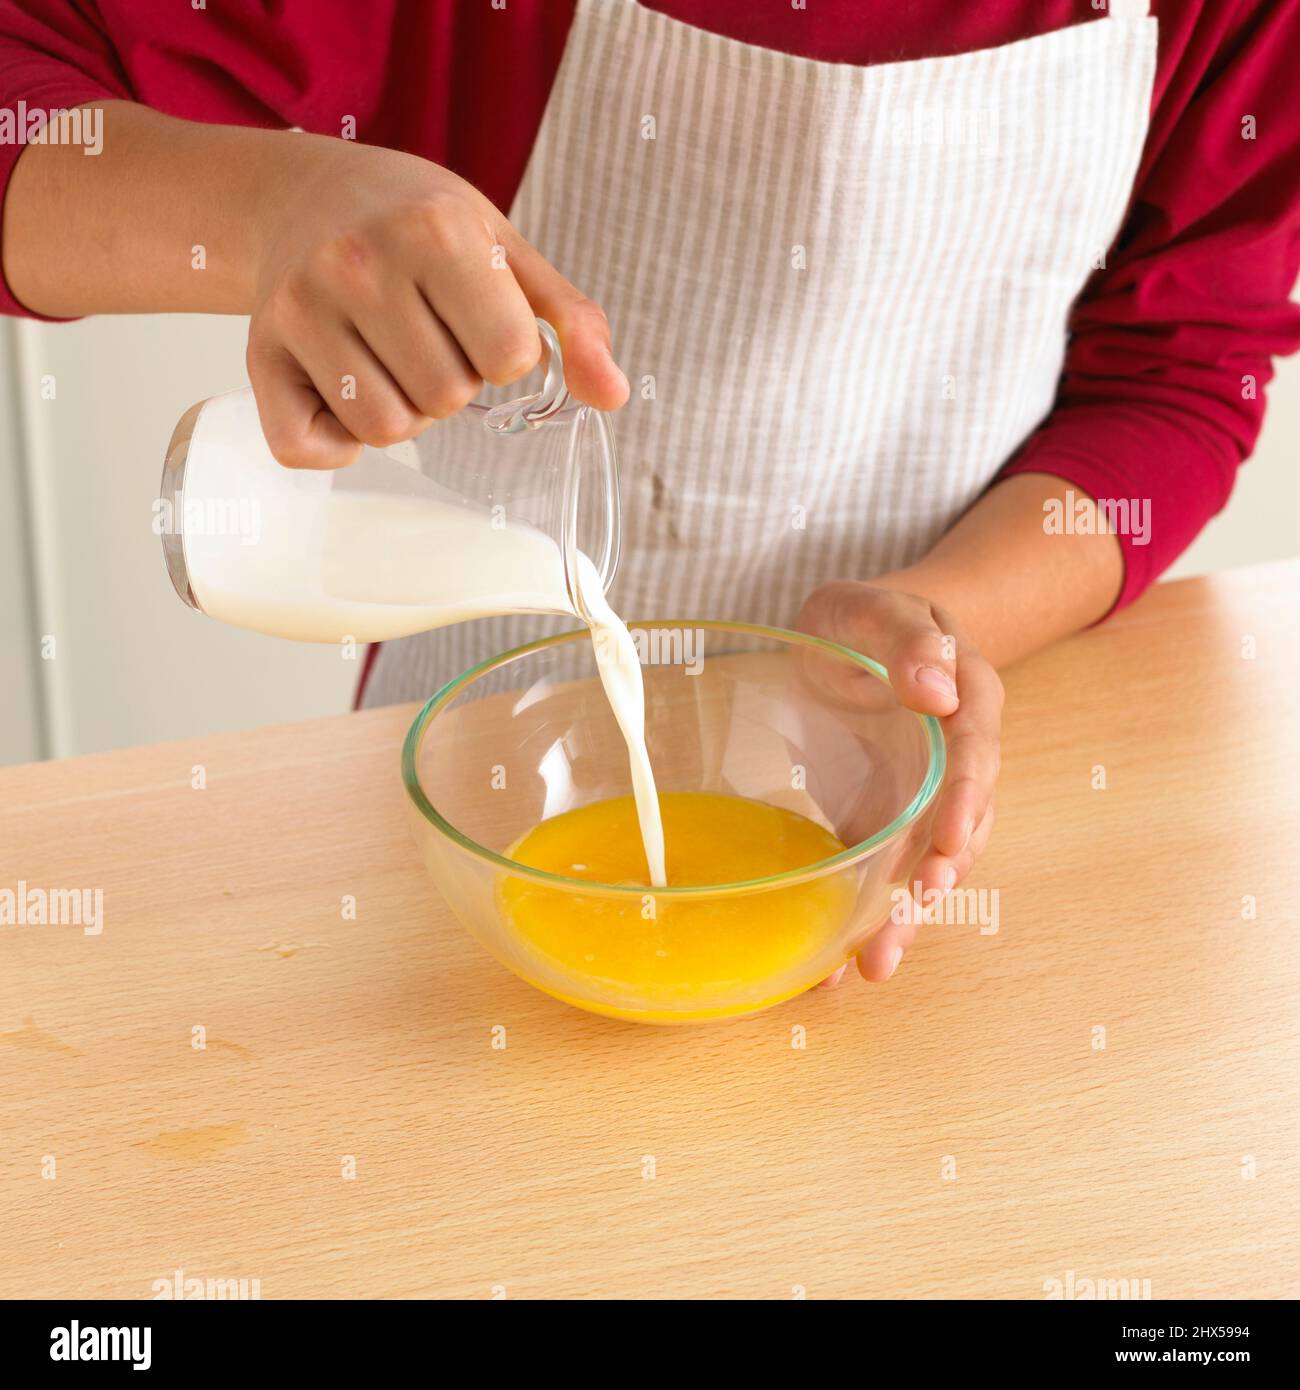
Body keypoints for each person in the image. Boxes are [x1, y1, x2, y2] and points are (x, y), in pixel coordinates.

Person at [3, 1, 1298, 986]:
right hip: (477, 797)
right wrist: (282, 205)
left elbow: (1182, 364)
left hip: (926, 834)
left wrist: (940, 618)